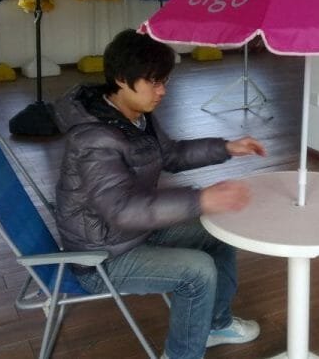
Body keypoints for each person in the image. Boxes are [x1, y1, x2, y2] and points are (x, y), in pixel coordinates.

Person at [52, 29, 267, 359]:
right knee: (197, 272)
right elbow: (121, 210)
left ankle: (214, 325)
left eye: (164, 80)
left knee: (219, 234)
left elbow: (171, 155)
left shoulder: (134, 115)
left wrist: (226, 148)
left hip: (134, 232)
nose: (162, 91)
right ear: (123, 79)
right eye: (154, 82)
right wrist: (199, 200)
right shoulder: (94, 139)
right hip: (102, 255)